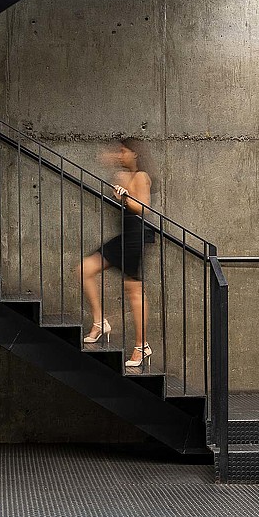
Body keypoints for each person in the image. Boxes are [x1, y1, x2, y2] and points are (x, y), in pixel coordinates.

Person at [78, 138, 154, 368]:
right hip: (125, 236)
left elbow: (143, 207)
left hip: (137, 236)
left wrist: (125, 197)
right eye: (119, 152)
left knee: (134, 291)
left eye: (124, 152)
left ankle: (142, 347)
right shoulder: (123, 177)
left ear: (135, 154)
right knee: (85, 269)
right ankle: (100, 322)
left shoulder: (142, 176)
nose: (120, 156)